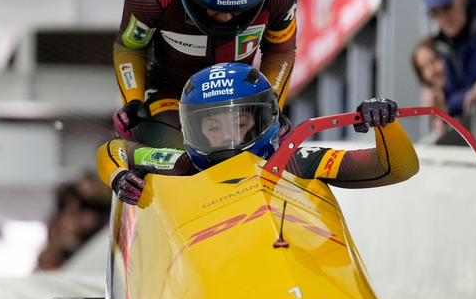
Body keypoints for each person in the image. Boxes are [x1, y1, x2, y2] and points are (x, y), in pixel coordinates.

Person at [97, 63, 419, 205]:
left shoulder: (295, 161)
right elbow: (117, 149)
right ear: (192, 130)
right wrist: (118, 178)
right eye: (212, 127)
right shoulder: (182, 164)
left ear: (263, 120)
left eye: (239, 124)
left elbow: (394, 167)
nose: (227, 137)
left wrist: (386, 124)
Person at [112, 0, 299, 149]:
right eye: (214, 7)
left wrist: (272, 103)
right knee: (176, 159)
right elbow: (129, 46)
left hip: (238, 100)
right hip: (171, 97)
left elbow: (280, 51)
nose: (227, 16)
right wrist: (133, 100)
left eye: (240, 8)